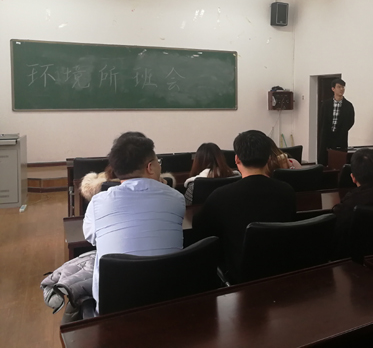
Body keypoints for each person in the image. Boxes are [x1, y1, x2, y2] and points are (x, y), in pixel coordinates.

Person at [83, 134, 185, 313]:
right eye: (158, 161)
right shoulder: (176, 198)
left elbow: (92, 238)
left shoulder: (98, 202)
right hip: (168, 303)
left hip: (114, 311)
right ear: (150, 167)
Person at [192, 130, 296, 283]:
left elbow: (200, 230)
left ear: (237, 159)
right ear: (269, 158)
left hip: (240, 278)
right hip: (280, 272)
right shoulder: (287, 191)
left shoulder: (221, 196)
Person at [318, 78, 355, 166]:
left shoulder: (348, 105)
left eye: (343, 87)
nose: (341, 89)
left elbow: (351, 121)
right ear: (333, 89)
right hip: (326, 136)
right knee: (324, 159)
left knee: (340, 160)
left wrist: (342, 130)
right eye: (339, 87)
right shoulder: (326, 104)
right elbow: (321, 120)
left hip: (341, 137)